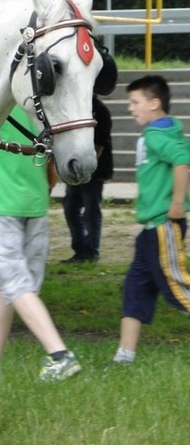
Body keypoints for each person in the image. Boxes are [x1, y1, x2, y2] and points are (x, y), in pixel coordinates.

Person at [0, 105, 81, 381]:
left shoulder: (0, 103)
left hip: (0, 204)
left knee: (16, 286)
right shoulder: (39, 106)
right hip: (35, 202)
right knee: (10, 286)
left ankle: (60, 355)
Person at [113, 74, 190, 364]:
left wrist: (178, 204)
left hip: (162, 225)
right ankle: (124, 355)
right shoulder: (159, 132)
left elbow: (183, 161)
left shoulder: (158, 135)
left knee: (177, 289)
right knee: (136, 288)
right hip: (149, 229)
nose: (131, 108)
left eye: (135, 102)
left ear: (155, 103)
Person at [62, 94, 114, 263]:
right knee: (71, 208)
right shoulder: (74, 108)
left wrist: (87, 169)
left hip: (94, 171)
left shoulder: (100, 111)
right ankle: (80, 248)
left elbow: (100, 143)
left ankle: (91, 251)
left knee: (91, 212)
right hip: (76, 168)